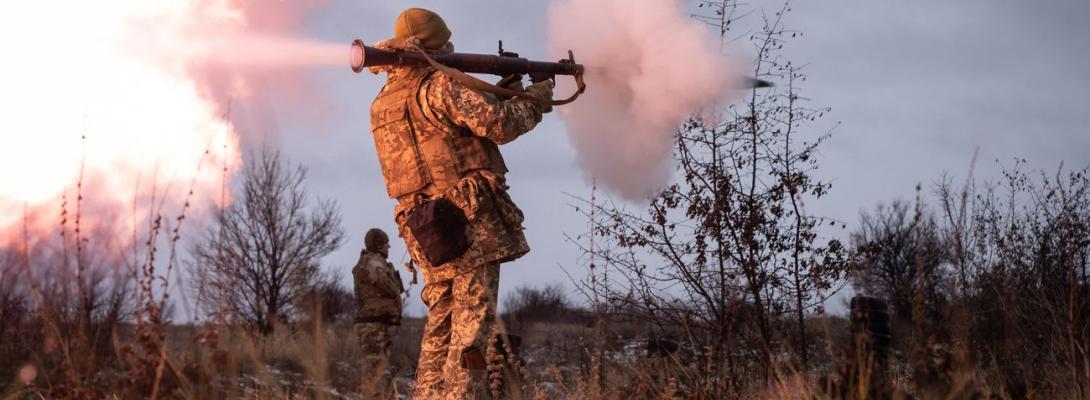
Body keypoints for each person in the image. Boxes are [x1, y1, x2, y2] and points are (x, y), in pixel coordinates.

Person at [365, 7, 552, 398]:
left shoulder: (384, 101)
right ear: (436, 43)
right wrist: (536, 97)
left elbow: (442, 131)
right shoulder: (439, 85)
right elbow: (499, 124)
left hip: (423, 226)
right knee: (473, 330)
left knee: (441, 322)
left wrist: (500, 90)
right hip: (467, 221)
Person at [352, 228, 404, 398]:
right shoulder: (373, 262)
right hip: (373, 326)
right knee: (373, 375)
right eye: (385, 243)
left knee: (377, 372)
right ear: (378, 245)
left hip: (377, 324)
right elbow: (386, 285)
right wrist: (395, 286)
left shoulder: (372, 262)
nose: (389, 246)